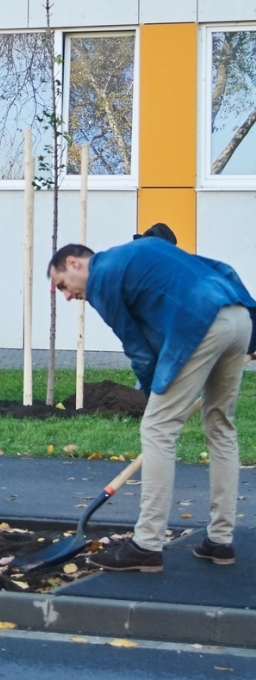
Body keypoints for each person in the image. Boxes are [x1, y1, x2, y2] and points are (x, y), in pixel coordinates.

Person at [48, 237, 256, 572]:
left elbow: (138, 348)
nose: (69, 296)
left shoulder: (103, 278)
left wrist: (150, 396)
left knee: (158, 428)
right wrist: (253, 327)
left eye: (62, 286)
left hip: (200, 323)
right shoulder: (142, 251)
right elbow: (221, 269)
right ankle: (220, 540)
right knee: (220, 425)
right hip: (237, 317)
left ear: (74, 262)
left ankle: (146, 545)